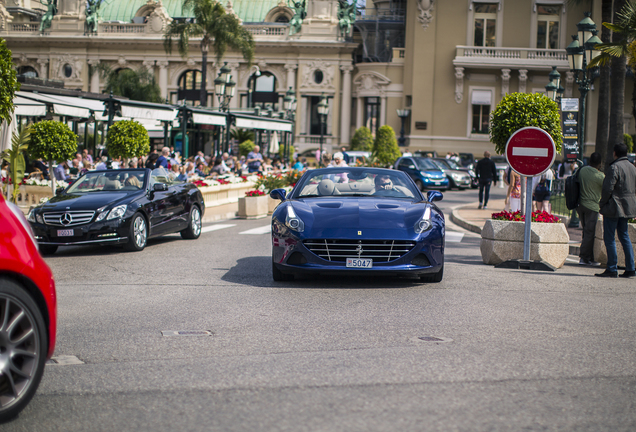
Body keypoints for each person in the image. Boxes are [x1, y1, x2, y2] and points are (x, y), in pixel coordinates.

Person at [596, 143, 636, 278]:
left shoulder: (614, 167)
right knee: (624, 236)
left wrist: (602, 203)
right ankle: (630, 268)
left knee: (609, 237)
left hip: (614, 206)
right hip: (628, 207)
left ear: (615, 153)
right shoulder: (632, 168)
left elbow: (607, 189)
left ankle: (612, 268)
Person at [577, 152, 604, 267]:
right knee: (589, 232)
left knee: (586, 231)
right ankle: (584, 257)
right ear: (600, 163)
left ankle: (589, 256)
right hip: (592, 207)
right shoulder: (600, 176)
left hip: (580, 205)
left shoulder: (582, 171)